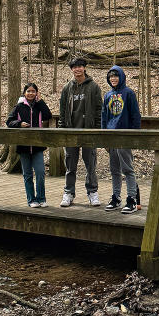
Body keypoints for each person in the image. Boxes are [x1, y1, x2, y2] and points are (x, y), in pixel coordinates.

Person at [58, 56, 103, 207]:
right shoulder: (67, 88)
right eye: (74, 67)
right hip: (71, 131)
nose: (77, 69)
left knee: (91, 164)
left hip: (88, 131)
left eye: (80, 66)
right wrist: (62, 129)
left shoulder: (93, 87)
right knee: (70, 165)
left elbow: (99, 110)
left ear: (84, 68)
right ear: (71, 69)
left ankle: (92, 192)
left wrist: (96, 129)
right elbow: (62, 110)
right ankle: (68, 193)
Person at [101, 65, 141, 214]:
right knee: (114, 170)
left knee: (127, 169)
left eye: (116, 76)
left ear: (122, 77)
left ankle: (131, 199)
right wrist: (104, 137)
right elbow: (104, 118)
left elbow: (135, 116)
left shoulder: (129, 93)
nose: (113, 79)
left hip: (124, 136)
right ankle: (116, 197)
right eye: (111, 76)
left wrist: (134, 135)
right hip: (111, 137)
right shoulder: (107, 96)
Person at [6, 82, 52, 208]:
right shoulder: (19, 107)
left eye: (33, 91)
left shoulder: (39, 106)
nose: (31, 93)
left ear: (36, 93)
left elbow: (48, 116)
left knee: (40, 173)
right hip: (23, 145)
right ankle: (31, 200)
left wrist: (41, 101)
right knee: (27, 175)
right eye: (28, 91)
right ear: (24, 93)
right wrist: (19, 123)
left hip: (38, 145)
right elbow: (9, 121)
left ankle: (41, 198)